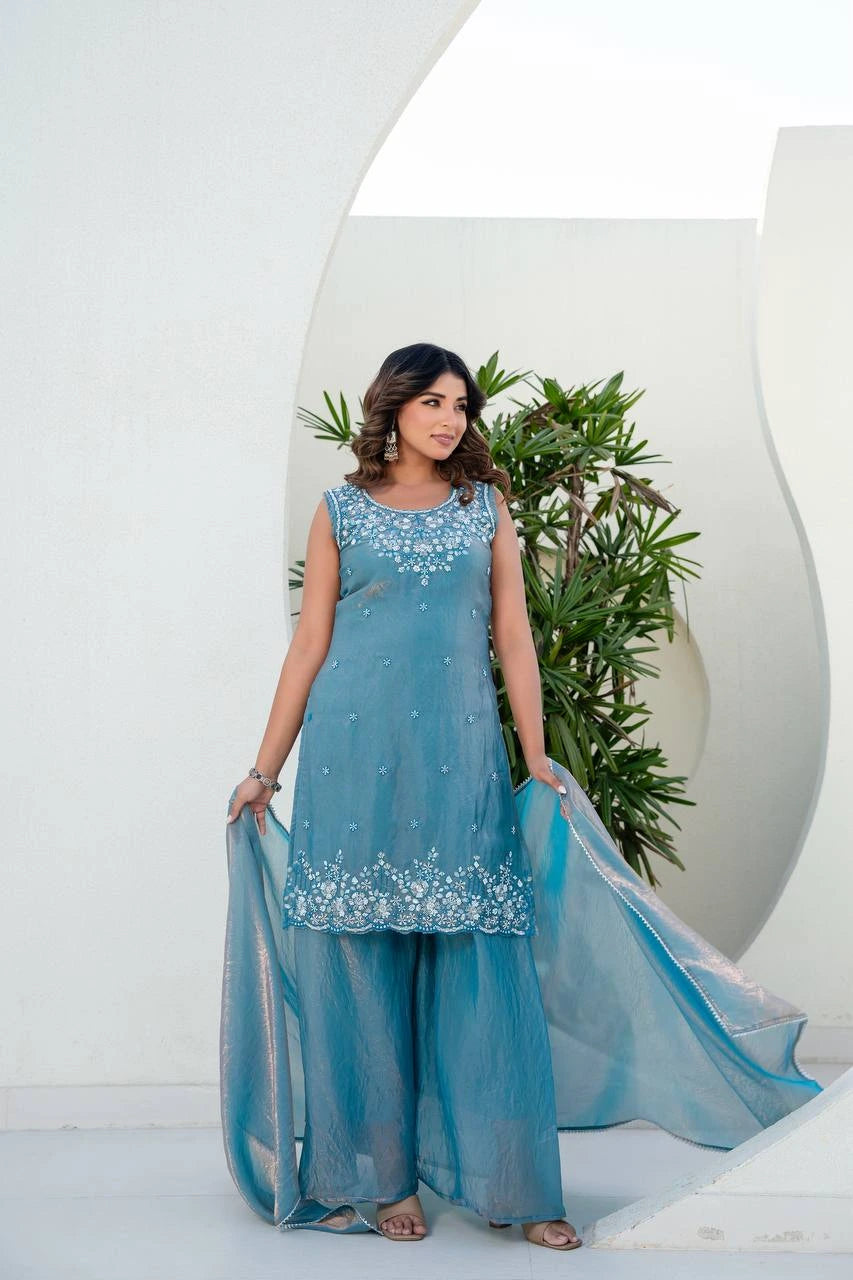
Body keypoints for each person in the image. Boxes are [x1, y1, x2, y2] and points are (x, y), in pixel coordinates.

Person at [221, 342, 820, 1252]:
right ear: (392, 409)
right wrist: (265, 770)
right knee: (359, 964)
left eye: (462, 404)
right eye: (432, 401)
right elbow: (309, 643)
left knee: (481, 962)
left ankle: (514, 1184)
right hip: (353, 753)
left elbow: (512, 636)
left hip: (457, 755)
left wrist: (534, 754)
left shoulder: (481, 506)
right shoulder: (340, 510)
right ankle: (381, 1182)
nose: (450, 418)